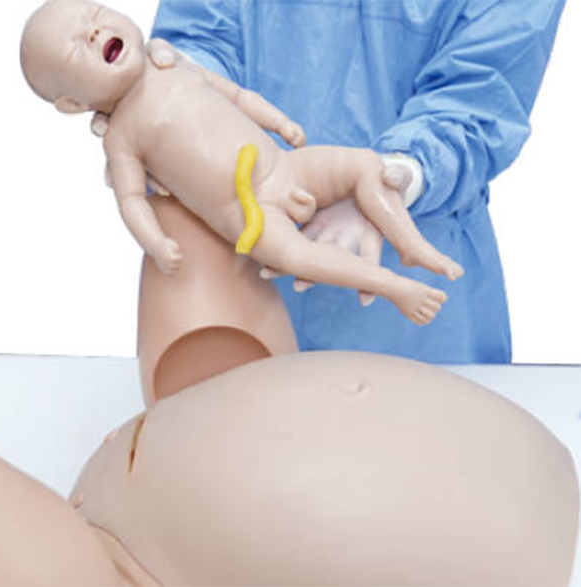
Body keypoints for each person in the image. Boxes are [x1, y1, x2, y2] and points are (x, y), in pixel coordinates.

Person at [150, 0, 565, 363]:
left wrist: (396, 175)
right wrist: (173, 94)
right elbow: (204, 38)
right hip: (228, 279)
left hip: (418, 324)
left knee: (430, 423)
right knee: (224, 416)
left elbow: (480, 88)